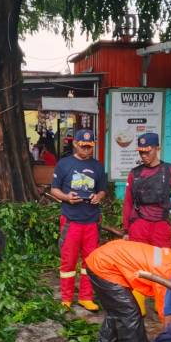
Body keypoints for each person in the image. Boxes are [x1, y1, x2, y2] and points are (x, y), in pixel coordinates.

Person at [85, 239, 171, 342]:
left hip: (106, 258)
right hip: (103, 265)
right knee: (130, 313)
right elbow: (166, 312)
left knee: (118, 308)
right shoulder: (167, 273)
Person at [50, 129, 107, 311]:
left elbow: (102, 190)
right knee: (68, 261)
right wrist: (66, 197)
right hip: (71, 221)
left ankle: (86, 297)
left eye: (90, 147)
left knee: (89, 262)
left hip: (91, 222)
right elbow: (54, 189)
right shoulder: (64, 164)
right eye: (83, 146)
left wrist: (99, 196)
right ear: (75, 143)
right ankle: (66, 298)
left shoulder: (98, 166)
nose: (87, 150)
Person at [122, 132, 171, 248]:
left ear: (157, 148)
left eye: (147, 152)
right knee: (139, 258)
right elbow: (128, 202)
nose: (143, 155)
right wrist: (126, 229)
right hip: (139, 225)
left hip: (161, 226)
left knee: (159, 258)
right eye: (141, 152)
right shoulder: (134, 173)